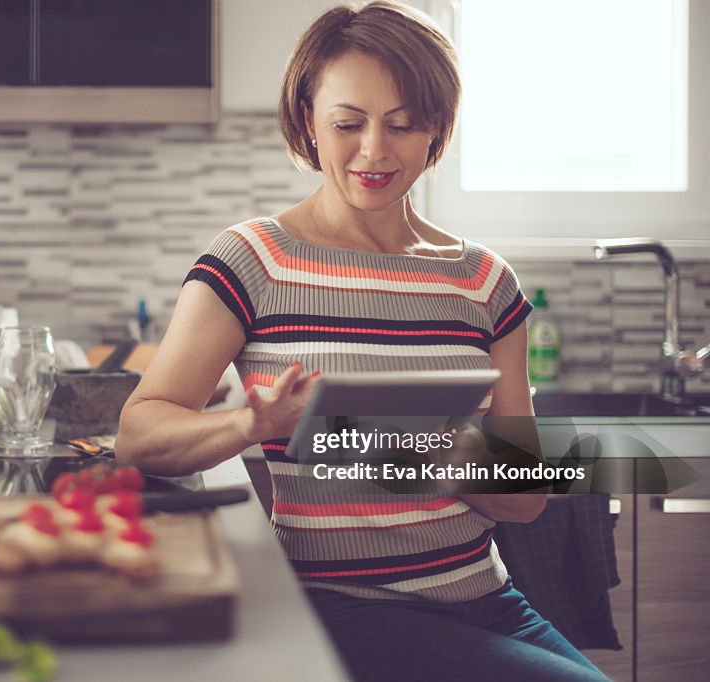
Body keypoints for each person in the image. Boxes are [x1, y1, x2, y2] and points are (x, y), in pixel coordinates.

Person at [117, 2, 610, 680]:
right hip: (344, 611)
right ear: (308, 122)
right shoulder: (253, 260)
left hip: (491, 601)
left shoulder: (486, 283)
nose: (375, 150)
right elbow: (140, 433)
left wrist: (423, 445)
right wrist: (248, 424)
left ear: (435, 129)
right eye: (348, 123)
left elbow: (522, 499)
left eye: (403, 124)